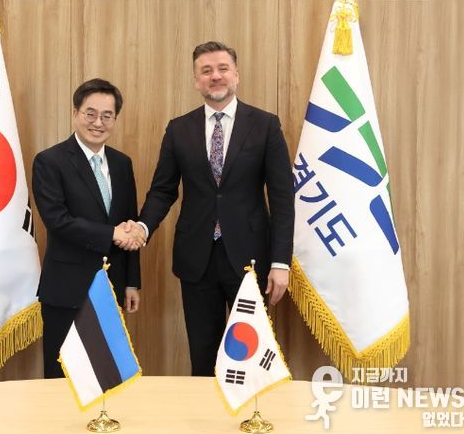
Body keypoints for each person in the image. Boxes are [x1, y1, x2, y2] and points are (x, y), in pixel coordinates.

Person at [125, 41, 294, 376]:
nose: (215, 76)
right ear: (196, 80)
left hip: (250, 259)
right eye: (206, 71)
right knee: (202, 355)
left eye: (222, 69)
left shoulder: (265, 125)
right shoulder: (179, 129)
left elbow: (282, 198)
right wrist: (143, 227)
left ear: (236, 75)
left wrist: (280, 262)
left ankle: (251, 408)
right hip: (196, 258)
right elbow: (163, 190)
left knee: (250, 356)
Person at [32, 78, 145, 378]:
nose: (98, 123)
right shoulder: (49, 161)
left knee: (105, 375)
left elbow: (129, 221)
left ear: (115, 119)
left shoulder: (122, 164)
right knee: (61, 376)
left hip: (111, 288)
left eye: (107, 116)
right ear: (75, 113)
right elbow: (57, 221)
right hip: (66, 289)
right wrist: (111, 234)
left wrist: (132, 282)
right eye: (90, 113)